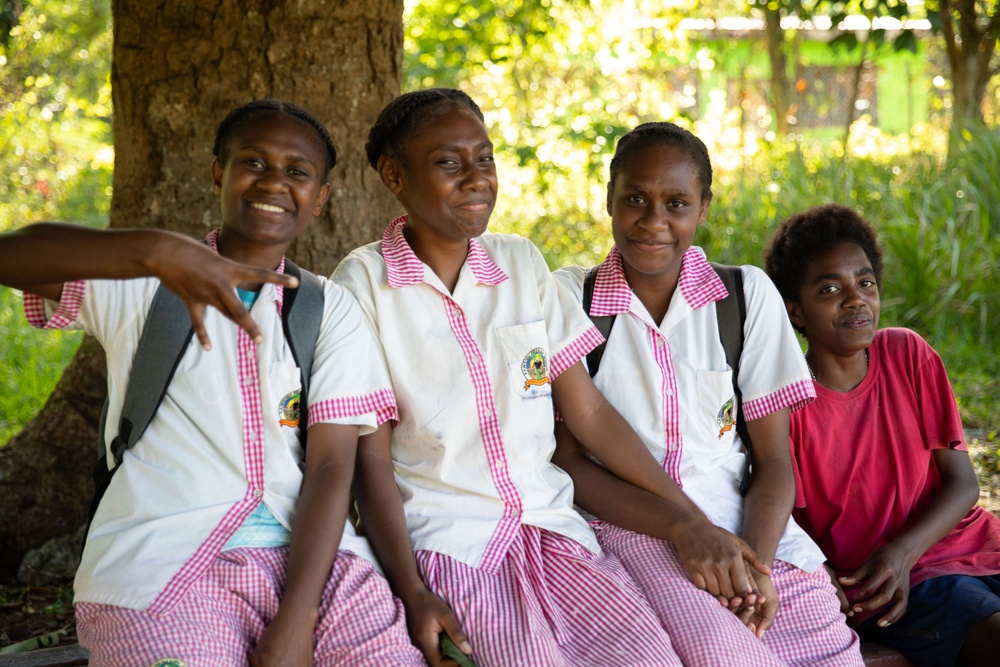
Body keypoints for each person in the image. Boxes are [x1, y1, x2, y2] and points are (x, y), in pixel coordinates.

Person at [0, 100, 425, 667]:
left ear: (320, 197)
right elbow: (11, 258)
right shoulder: (142, 287)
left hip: (318, 566)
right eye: (253, 161)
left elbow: (330, 468)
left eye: (297, 171)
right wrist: (154, 251)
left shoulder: (328, 309)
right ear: (217, 173)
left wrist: (300, 614)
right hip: (161, 566)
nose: (274, 181)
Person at [332, 88, 704, 667]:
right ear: (394, 175)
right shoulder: (363, 285)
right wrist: (412, 591)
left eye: (484, 158)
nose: (476, 178)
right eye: (448, 162)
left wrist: (688, 517)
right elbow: (370, 461)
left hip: (555, 535)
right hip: (452, 547)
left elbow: (590, 414)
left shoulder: (520, 264)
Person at [553, 122, 863, 667]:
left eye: (676, 202)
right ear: (608, 199)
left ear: (704, 207)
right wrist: (688, 529)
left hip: (753, 530)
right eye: (634, 199)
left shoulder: (743, 297)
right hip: (632, 528)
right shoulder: (568, 299)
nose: (654, 221)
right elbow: (571, 462)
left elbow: (772, 462)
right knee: (726, 652)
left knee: (829, 650)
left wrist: (753, 567)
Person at [763, 203, 1000, 667]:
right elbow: (780, 513)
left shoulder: (907, 353)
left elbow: (963, 482)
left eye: (865, 282)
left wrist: (903, 551)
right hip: (896, 586)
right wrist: (829, 575)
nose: (855, 299)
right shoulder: (785, 402)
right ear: (795, 310)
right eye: (831, 288)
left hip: (970, 545)